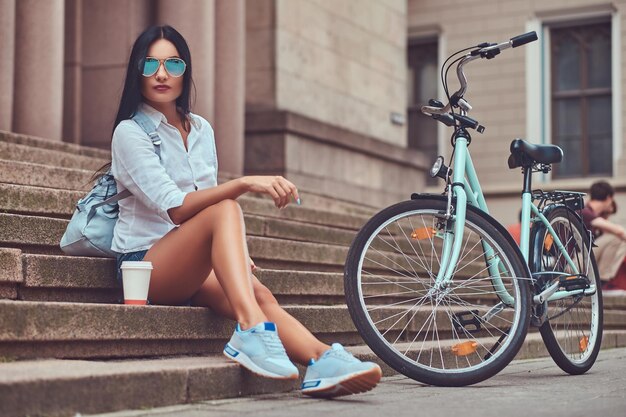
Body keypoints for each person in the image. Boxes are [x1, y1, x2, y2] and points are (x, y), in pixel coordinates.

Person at [108, 25, 381, 397]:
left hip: (188, 260)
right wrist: (244, 183)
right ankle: (251, 331)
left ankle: (320, 360)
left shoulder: (201, 129)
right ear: (136, 71)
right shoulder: (130, 132)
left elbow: (205, 198)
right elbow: (176, 208)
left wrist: (236, 250)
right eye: (150, 64)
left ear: (185, 71)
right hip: (144, 264)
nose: (161, 73)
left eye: (172, 63)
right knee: (226, 206)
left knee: (260, 293)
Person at [580, 181, 626, 294]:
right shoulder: (586, 212)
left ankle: (602, 280)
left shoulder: (587, 212)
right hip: (575, 263)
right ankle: (603, 280)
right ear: (609, 198)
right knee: (616, 236)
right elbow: (619, 231)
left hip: (577, 261)